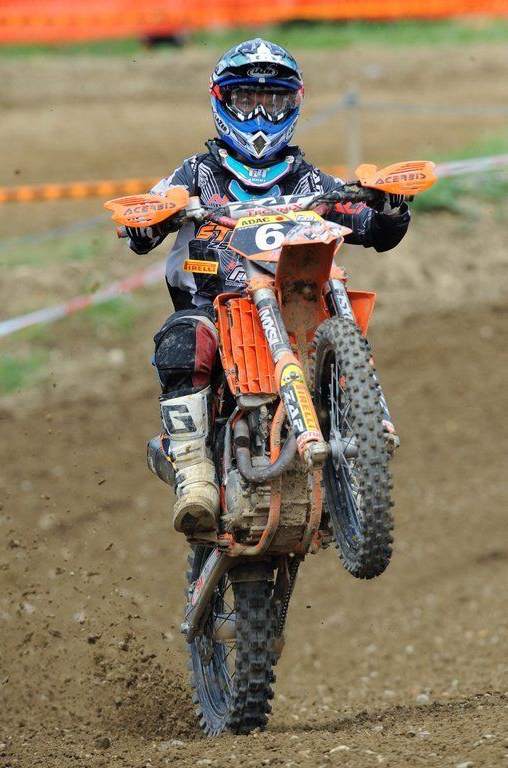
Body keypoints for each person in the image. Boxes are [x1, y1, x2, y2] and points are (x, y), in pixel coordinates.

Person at [126, 38, 409, 536]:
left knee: (340, 316)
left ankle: (358, 436)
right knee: (181, 341)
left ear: (292, 105)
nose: (259, 115)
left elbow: (370, 228)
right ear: (223, 101)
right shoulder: (197, 174)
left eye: (272, 102)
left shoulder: (308, 181)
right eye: (247, 101)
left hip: (294, 308)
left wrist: (389, 207)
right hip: (214, 309)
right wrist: (149, 219)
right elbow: (143, 225)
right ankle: (193, 472)